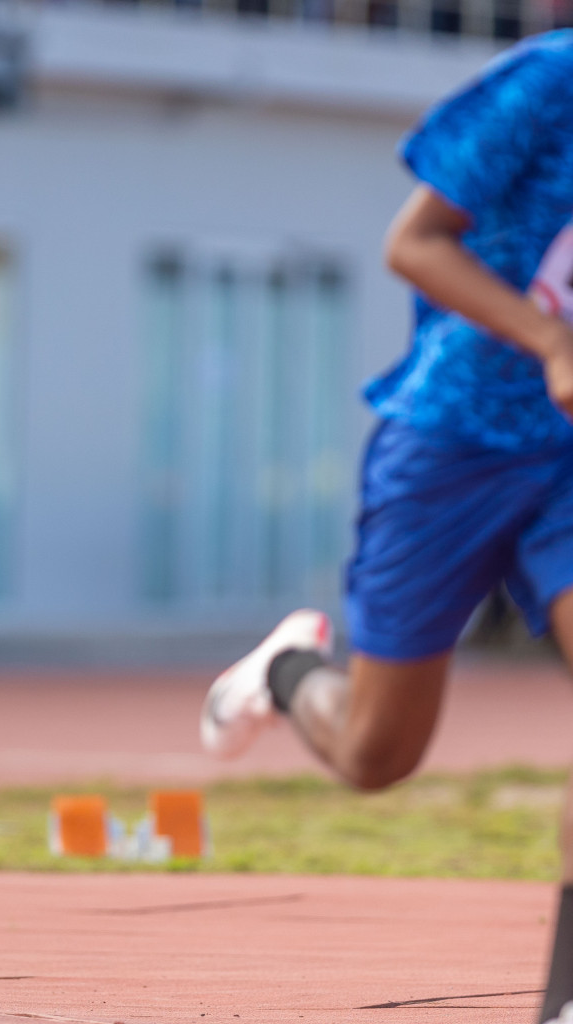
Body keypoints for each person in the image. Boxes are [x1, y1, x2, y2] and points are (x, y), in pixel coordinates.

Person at [197, 31, 573, 1024]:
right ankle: (285, 668)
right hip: (456, 437)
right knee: (377, 754)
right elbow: (414, 243)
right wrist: (550, 341)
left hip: (570, 460)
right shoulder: (549, 81)